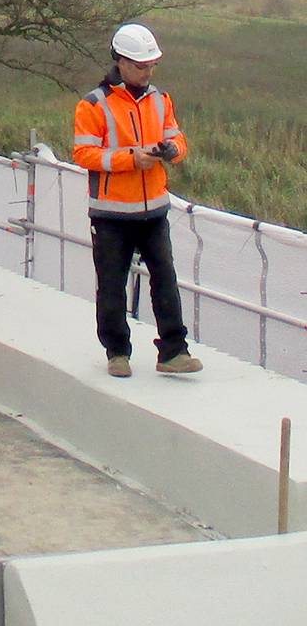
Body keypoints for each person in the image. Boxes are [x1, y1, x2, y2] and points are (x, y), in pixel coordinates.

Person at [71, 23, 201, 378]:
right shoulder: (93, 104)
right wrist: (132, 160)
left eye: (151, 66)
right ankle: (117, 352)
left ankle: (174, 351)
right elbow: (83, 153)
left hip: (154, 209)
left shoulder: (161, 100)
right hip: (111, 214)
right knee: (112, 283)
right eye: (142, 66)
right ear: (121, 62)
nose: (148, 72)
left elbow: (177, 138)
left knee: (166, 278)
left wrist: (172, 151)